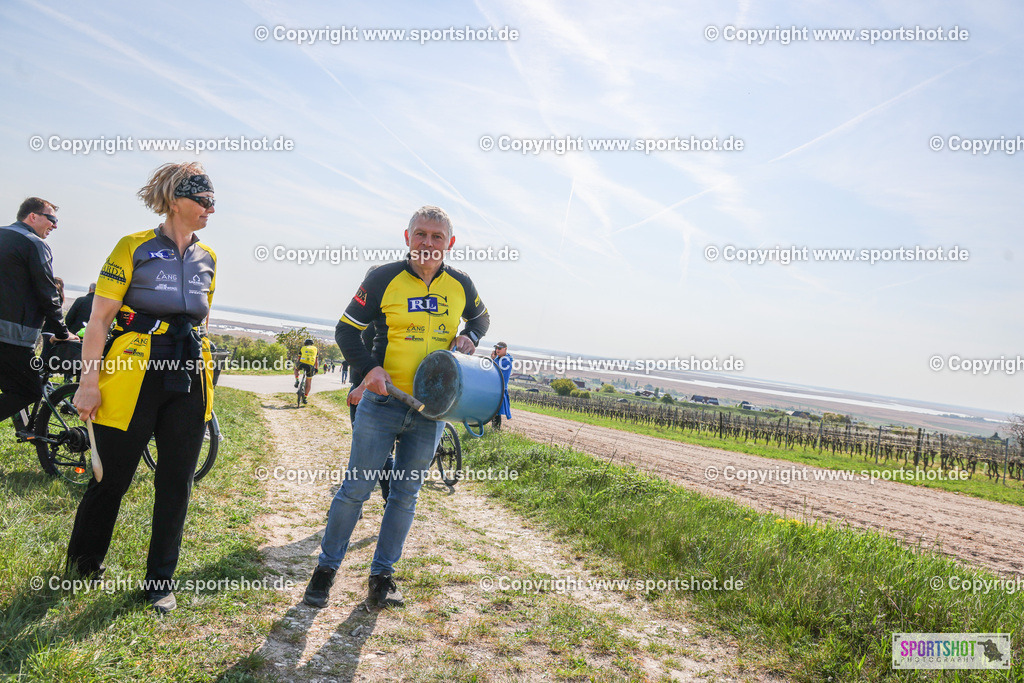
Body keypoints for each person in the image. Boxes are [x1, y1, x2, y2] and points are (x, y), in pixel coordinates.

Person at [303, 205, 489, 609]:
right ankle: (325, 570)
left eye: (437, 237)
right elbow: (345, 330)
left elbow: (482, 318)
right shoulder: (382, 278)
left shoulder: (461, 284)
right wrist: (368, 369)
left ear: (450, 244)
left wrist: (470, 336)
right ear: (407, 238)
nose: (428, 243)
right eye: (420, 234)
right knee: (356, 489)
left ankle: (382, 577)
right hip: (382, 403)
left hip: (431, 410)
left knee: (405, 496)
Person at [67, 161, 217, 614]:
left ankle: (160, 582)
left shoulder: (209, 256)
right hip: (135, 374)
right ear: (176, 202)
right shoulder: (133, 247)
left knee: (178, 483)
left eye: (213, 201)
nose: (211, 208)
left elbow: (202, 320)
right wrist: (88, 382)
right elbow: (98, 319)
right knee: (112, 477)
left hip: (188, 376)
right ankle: (82, 566)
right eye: (203, 200)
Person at [0, 197, 76, 423]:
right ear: (33, 216)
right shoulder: (34, 243)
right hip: (12, 337)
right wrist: (62, 332)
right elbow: (47, 292)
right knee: (28, 391)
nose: (55, 225)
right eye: (51, 219)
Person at [490, 342, 513, 430]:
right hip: (496, 387)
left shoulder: (505, 361)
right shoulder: (499, 358)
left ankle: (495, 430)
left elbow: (494, 371)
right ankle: (495, 430)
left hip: (499, 387)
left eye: (499, 348)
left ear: (505, 349)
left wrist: (493, 359)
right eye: (496, 348)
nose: (497, 350)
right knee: (495, 411)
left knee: (496, 411)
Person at [293, 338, 318, 404]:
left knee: (296, 369)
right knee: (309, 381)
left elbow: (298, 358)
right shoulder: (315, 349)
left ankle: (297, 380)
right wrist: (316, 368)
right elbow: (316, 360)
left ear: (305, 344)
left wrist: (297, 365)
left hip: (302, 363)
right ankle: (305, 397)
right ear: (312, 344)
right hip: (310, 365)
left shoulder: (303, 348)